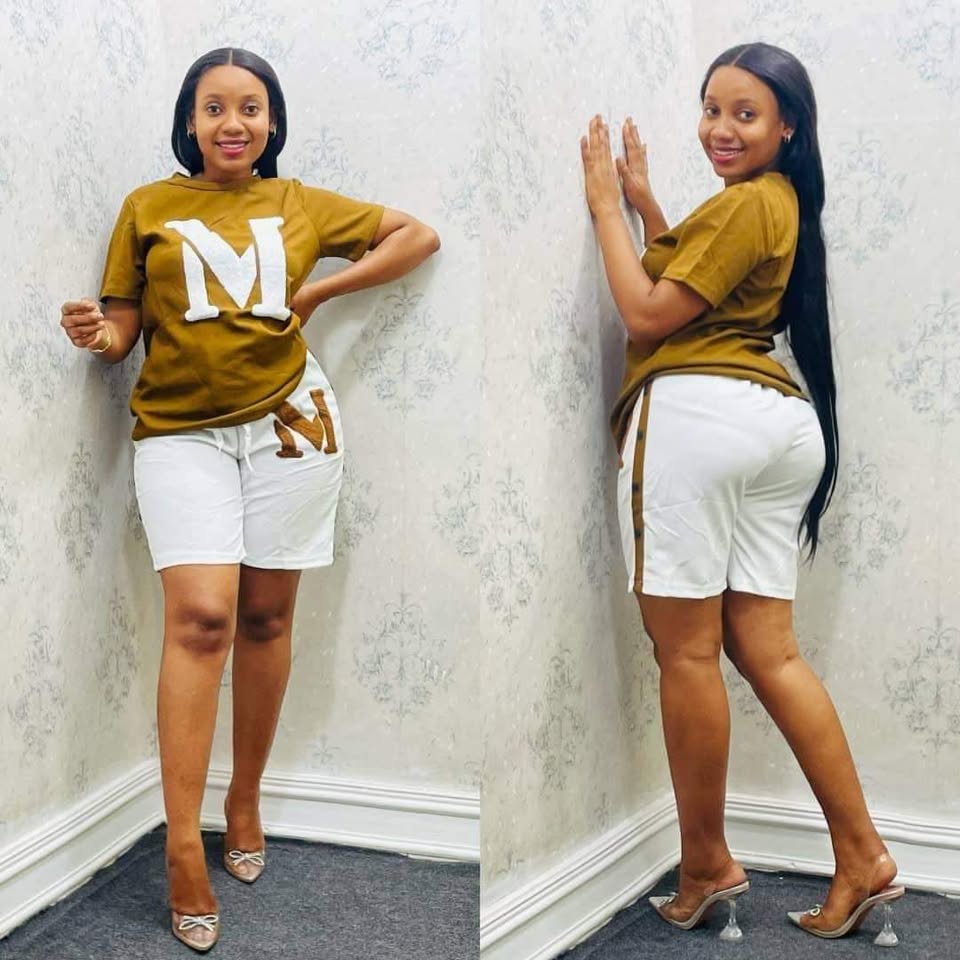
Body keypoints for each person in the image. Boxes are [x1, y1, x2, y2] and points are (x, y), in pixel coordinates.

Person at [60, 47, 439, 953]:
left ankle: (245, 798)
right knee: (201, 620)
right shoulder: (147, 207)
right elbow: (125, 326)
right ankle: (181, 843)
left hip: (293, 425)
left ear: (272, 122)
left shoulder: (298, 201)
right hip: (179, 432)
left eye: (251, 107)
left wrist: (319, 293)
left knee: (266, 618)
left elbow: (416, 235)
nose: (233, 123)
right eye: (214, 107)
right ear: (189, 121)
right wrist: (99, 335)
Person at [579, 42, 904, 943]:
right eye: (711, 109)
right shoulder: (780, 203)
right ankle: (864, 856)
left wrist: (606, 211)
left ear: (787, 125)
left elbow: (649, 313)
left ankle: (706, 866)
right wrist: (650, 208)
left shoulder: (747, 202)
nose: (721, 128)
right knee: (772, 651)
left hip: (699, 421)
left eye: (745, 114)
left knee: (686, 652)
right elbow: (704, 290)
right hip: (778, 426)